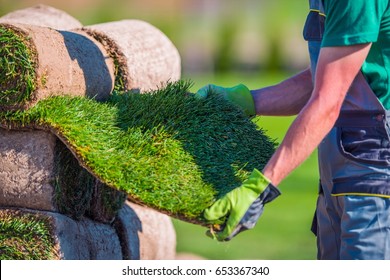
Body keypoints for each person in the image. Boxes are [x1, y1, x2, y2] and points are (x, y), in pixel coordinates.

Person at [198, 0, 390, 260]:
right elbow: (326, 77)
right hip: (339, 174)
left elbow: (327, 101)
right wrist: (247, 100)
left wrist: (260, 187)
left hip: (375, 178)